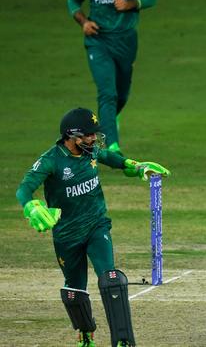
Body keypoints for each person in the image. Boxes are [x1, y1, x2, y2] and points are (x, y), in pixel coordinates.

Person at [16, 107, 170, 347]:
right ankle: (86, 335)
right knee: (74, 291)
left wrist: (136, 166)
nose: (93, 139)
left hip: (97, 225)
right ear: (72, 136)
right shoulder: (51, 161)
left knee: (111, 280)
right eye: (88, 135)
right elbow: (23, 189)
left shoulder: (90, 152)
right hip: (67, 235)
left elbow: (109, 157)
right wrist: (31, 207)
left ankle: (123, 340)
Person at [67, 0, 158, 156]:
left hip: (126, 41)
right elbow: (73, 0)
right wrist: (84, 22)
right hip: (98, 40)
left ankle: (111, 118)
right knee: (108, 93)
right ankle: (112, 146)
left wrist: (130, 3)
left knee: (121, 95)